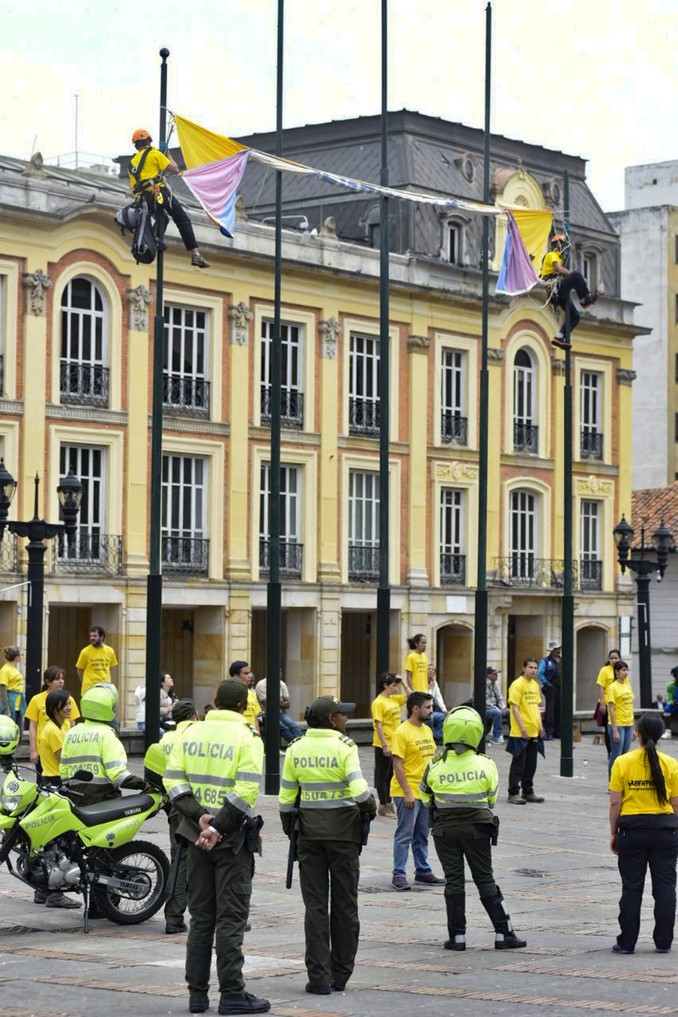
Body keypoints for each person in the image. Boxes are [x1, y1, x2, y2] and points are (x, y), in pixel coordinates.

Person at [164, 679, 269, 1016]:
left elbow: (174, 782)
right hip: (231, 841)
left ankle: (197, 995)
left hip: (196, 837)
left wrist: (200, 820)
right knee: (230, 919)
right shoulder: (248, 738)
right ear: (244, 707)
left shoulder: (189, 734)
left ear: (215, 701)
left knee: (201, 919)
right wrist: (219, 826)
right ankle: (232, 994)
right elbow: (246, 791)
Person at [279, 695, 376, 995]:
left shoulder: (296, 748)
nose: (346, 719)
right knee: (345, 906)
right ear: (332, 720)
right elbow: (359, 790)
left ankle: (318, 978)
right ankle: (340, 974)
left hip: (309, 836)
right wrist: (371, 806)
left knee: (316, 908)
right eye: (343, 715)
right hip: (343, 838)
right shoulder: (345, 747)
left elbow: (285, 799)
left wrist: (291, 831)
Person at [421, 706, 526, 951]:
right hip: (477, 829)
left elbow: (425, 797)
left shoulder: (435, 766)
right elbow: (490, 800)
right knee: (485, 878)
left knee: (454, 881)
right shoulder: (486, 764)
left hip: (444, 831)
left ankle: (457, 937)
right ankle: (503, 933)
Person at [609, 712, 678, 954]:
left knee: (631, 887)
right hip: (665, 831)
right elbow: (676, 803)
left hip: (632, 831)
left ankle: (627, 942)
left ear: (636, 733)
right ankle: (664, 941)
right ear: (659, 735)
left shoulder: (622, 762)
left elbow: (615, 804)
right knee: (666, 887)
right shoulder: (670, 763)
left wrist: (614, 832)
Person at [146, 698, 201, 936]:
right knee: (200, 862)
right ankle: (183, 915)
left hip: (174, 805)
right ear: (194, 716)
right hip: (196, 803)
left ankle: (175, 916)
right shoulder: (197, 735)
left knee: (179, 858)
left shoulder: (166, 738)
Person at [129, 129, 209, 269]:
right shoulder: (154, 154)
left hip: (145, 200)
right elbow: (175, 169)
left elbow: (134, 187)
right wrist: (168, 155)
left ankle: (155, 240)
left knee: (163, 218)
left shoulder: (132, 163)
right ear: (148, 141)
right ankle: (195, 254)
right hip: (159, 193)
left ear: (136, 145)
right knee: (182, 219)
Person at [390, 691, 445, 890]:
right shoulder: (402, 732)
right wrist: (407, 792)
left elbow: (430, 760)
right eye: (428, 707)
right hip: (407, 791)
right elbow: (397, 764)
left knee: (422, 834)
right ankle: (399, 874)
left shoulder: (426, 730)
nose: (431, 710)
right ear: (415, 709)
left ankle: (422, 870)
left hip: (425, 793)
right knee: (405, 834)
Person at [60, 682, 147, 804]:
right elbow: (118, 775)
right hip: (104, 801)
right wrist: (144, 785)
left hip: (76, 799)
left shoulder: (71, 733)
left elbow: (64, 773)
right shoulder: (107, 734)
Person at [540, 233, 599, 350]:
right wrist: (574, 275)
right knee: (576, 275)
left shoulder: (558, 257)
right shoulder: (551, 255)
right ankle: (584, 299)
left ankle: (559, 337)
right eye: (562, 243)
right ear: (556, 244)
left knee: (575, 316)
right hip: (555, 288)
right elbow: (558, 269)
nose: (563, 246)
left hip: (558, 291)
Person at [506, 658, 546, 805]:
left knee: (531, 764)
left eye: (535, 668)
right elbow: (514, 708)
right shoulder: (517, 685)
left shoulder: (535, 685)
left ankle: (528, 791)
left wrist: (540, 726)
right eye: (530, 667)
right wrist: (522, 728)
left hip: (534, 730)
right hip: (520, 732)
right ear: (523, 668)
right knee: (519, 763)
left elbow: (536, 707)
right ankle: (513, 792)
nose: (533, 670)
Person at [371, 673, 410, 818]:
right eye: (393, 685)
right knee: (383, 774)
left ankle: (389, 802)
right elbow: (378, 726)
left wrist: (403, 683)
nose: (395, 688)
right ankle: (383, 804)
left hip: (395, 742)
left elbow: (411, 697)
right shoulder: (379, 702)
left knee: (391, 774)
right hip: (384, 743)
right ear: (385, 686)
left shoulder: (393, 699)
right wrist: (384, 745)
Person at [26, 666, 80, 770]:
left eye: (62, 679)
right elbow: (32, 726)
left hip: (64, 746)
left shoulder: (69, 699)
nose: (61, 682)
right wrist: (33, 750)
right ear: (47, 682)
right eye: (57, 679)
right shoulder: (36, 699)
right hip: (44, 748)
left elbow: (73, 724)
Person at [607, 660, 635, 779]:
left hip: (628, 724)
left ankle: (622, 781)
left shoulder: (627, 685)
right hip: (617, 724)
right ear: (616, 672)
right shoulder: (613, 687)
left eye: (626, 670)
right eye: (623, 670)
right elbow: (611, 710)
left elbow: (630, 707)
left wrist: (634, 728)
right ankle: (612, 781)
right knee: (616, 755)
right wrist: (615, 730)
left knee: (625, 755)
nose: (626, 672)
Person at [254, 676, 302, 744]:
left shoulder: (281, 684)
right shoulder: (261, 685)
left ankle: (300, 744)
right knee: (284, 728)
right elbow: (268, 705)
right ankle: (297, 745)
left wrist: (274, 701)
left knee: (293, 725)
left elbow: (288, 705)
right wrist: (281, 700)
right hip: (264, 714)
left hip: (278, 713)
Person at [76, 626, 118, 699]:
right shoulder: (85, 652)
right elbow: (80, 669)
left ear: (102, 637)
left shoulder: (110, 651)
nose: (92, 638)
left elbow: (111, 666)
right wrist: (85, 682)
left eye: (95, 636)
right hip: (89, 688)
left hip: (105, 688)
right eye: (90, 636)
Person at [596, 649, 622, 757]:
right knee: (609, 728)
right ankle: (610, 752)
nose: (614, 660)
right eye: (612, 658)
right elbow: (601, 688)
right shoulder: (605, 670)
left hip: (619, 704)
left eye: (616, 658)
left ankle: (618, 751)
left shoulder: (622, 670)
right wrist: (602, 703)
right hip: (607, 702)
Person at [538, 640, 561, 740]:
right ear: (551, 651)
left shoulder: (561, 660)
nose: (558, 651)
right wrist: (547, 683)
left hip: (561, 687)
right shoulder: (546, 661)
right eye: (556, 649)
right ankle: (549, 732)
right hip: (551, 687)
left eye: (558, 649)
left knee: (560, 710)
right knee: (550, 710)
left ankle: (559, 731)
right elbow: (540, 673)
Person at [229, 660, 261, 733]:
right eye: (246, 673)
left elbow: (255, 718)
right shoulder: (228, 692)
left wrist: (257, 738)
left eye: (249, 673)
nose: (250, 676)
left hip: (251, 736)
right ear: (236, 676)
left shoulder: (252, 694)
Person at [0, 645, 25, 730]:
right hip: (11, 701)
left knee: (17, 729)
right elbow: (3, 691)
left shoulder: (13, 669)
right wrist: (7, 709)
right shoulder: (5, 670)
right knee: (9, 729)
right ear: (17, 657)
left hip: (17, 702)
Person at [485, 667, 508, 745]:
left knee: (510, 712)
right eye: (494, 674)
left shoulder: (495, 685)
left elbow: (500, 698)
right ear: (488, 675)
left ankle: (513, 735)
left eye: (497, 674)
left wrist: (503, 707)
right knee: (497, 712)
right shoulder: (483, 685)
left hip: (494, 708)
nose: (496, 675)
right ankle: (497, 737)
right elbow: (485, 702)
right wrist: (497, 708)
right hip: (485, 708)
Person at [426, 663, 447, 743]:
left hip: (431, 710)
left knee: (443, 717)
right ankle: (431, 737)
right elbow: (426, 697)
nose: (431, 671)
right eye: (429, 669)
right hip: (423, 710)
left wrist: (444, 710)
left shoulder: (435, 684)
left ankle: (437, 737)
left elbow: (439, 697)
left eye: (433, 670)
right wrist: (430, 688)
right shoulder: (421, 682)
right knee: (429, 719)